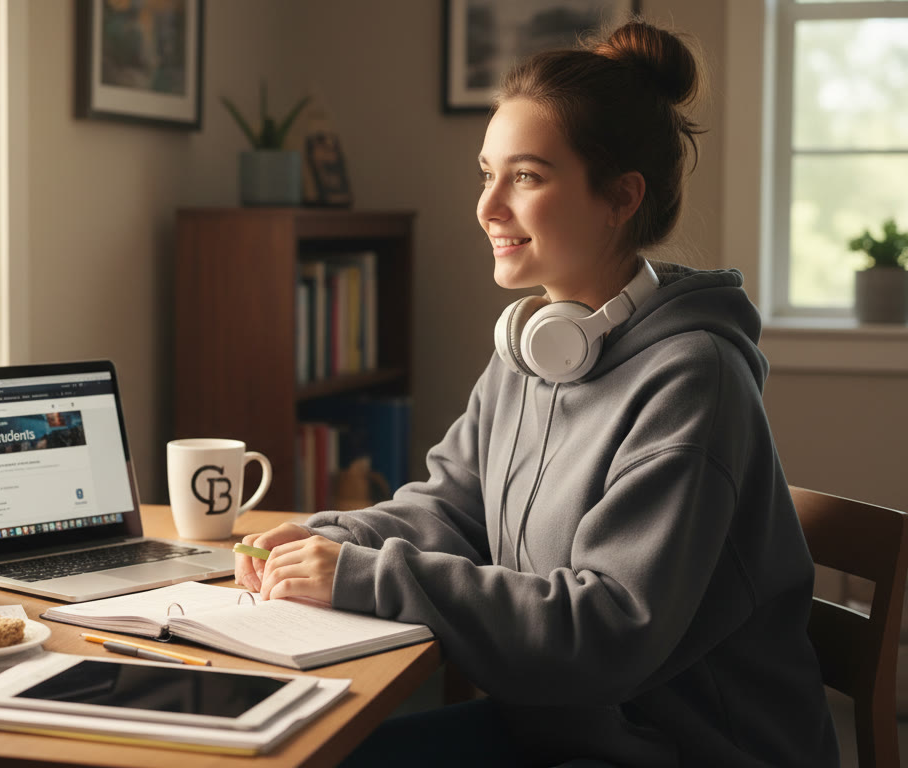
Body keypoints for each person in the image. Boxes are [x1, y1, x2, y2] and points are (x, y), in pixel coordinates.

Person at [234, 19, 838, 768]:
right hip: (560, 731)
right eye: (487, 173)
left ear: (620, 197)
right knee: (302, 754)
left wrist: (362, 576)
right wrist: (334, 540)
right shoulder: (534, 350)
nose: (488, 207)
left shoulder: (694, 379)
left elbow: (608, 628)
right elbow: (448, 508)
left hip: (677, 750)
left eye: (525, 176)